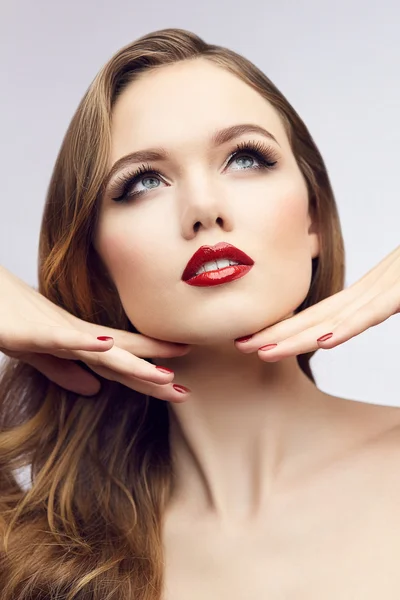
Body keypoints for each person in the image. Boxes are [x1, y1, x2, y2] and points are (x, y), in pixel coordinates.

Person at [1, 27, 400, 600]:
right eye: (143, 181)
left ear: (313, 220)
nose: (204, 209)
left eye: (245, 157)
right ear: (96, 263)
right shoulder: (40, 552)